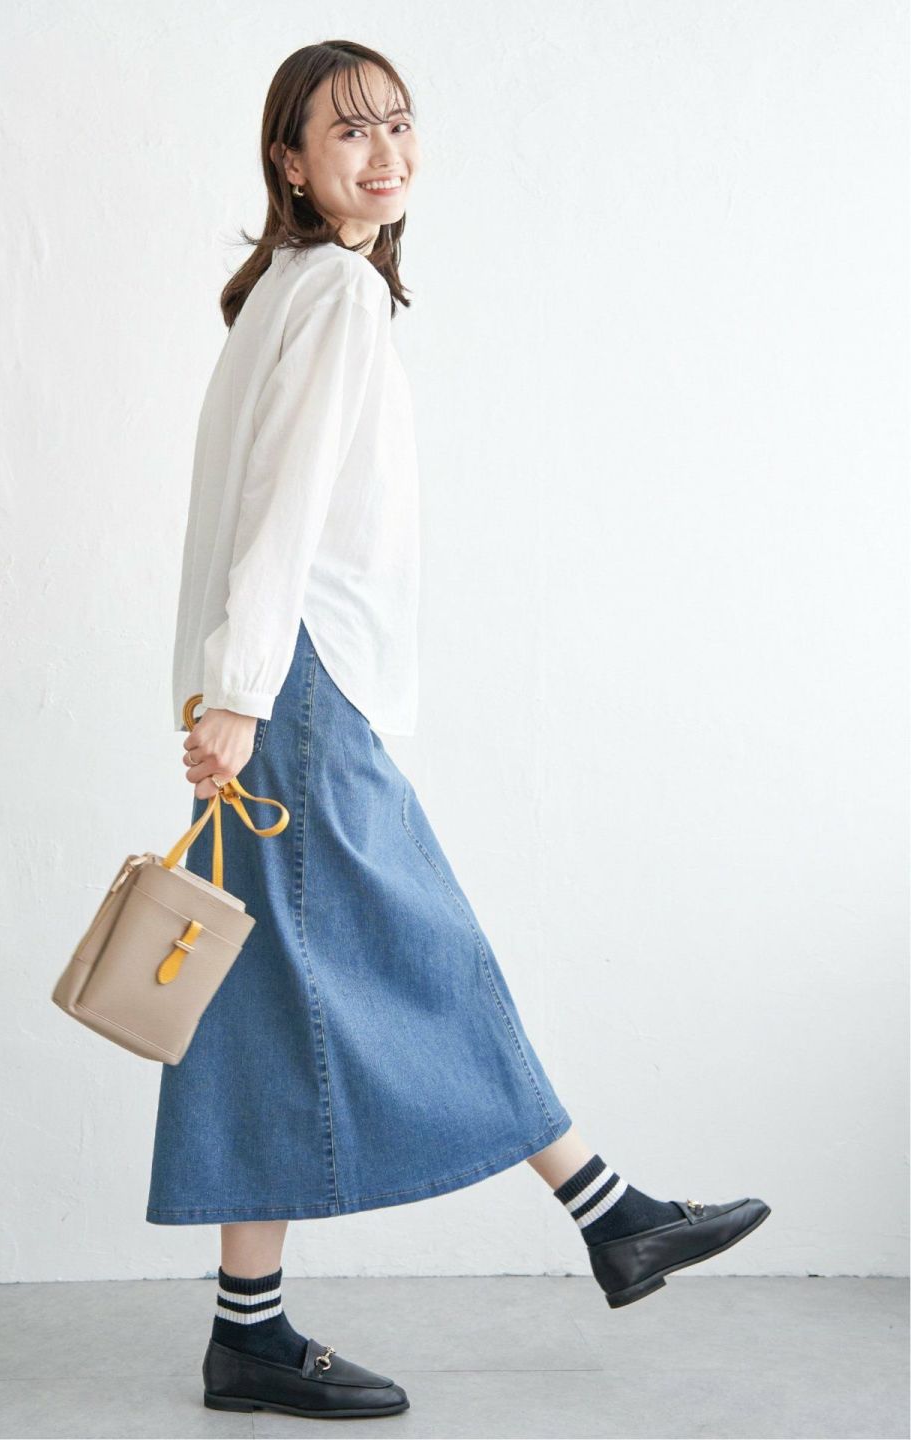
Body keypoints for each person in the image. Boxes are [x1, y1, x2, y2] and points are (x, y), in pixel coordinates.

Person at [152, 39, 770, 1422]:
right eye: (347, 131)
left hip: (265, 687)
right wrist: (243, 695)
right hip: (299, 688)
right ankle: (607, 1211)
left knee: (254, 997)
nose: (384, 152)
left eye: (398, 123)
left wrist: (217, 692)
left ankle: (252, 1330)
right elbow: (278, 515)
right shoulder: (336, 295)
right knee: (422, 950)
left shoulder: (284, 294)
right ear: (290, 161)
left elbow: (233, 523)